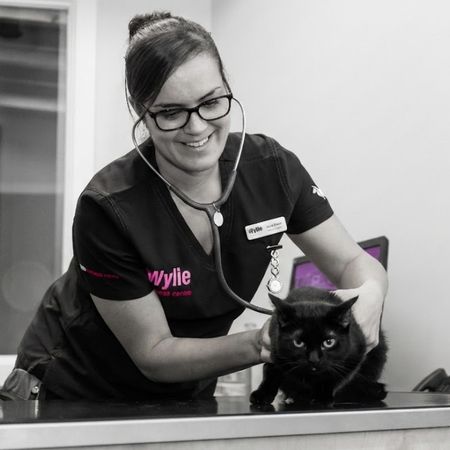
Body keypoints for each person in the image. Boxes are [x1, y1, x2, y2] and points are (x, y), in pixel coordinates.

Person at [0, 11, 387, 401]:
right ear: (141, 112)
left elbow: (354, 264)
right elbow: (153, 352)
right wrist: (260, 344)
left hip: (184, 390)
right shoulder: (109, 207)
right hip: (74, 388)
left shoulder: (273, 170)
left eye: (211, 102)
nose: (198, 127)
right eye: (171, 112)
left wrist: (371, 294)